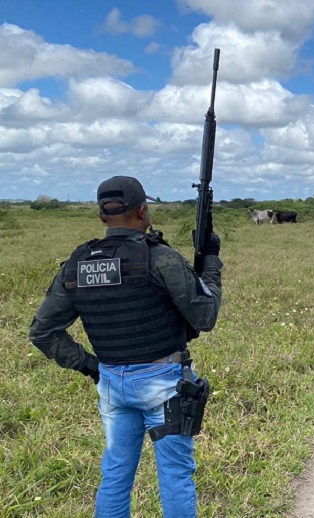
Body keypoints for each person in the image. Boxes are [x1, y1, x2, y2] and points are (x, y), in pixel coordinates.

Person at [29, 176, 223, 518]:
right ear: (143, 211)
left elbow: (43, 332)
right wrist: (210, 266)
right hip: (164, 382)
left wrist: (90, 365)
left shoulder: (77, 263)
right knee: (175, 476)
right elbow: (205, 316)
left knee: (116, 475)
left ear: (102, 216)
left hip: (111, 384)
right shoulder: (159, 257)